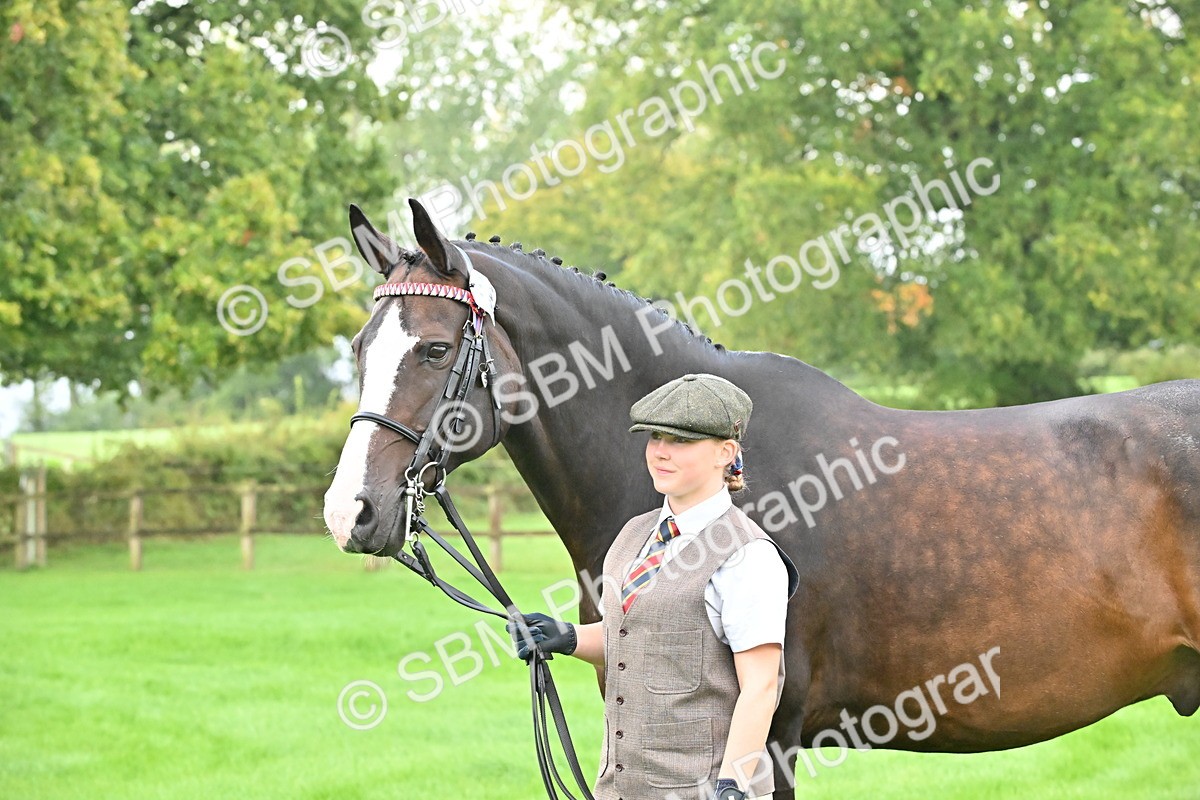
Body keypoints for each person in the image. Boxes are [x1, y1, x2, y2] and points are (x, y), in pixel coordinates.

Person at [508, 373, 799, 800]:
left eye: (681, 441)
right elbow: (637, 639)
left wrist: (732, 786)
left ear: (726, 452)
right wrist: (567, 637)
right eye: (655, 437)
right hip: (622, 787)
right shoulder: (634, 535)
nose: (661, 452)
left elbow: (761, 686)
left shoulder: (747, 556)